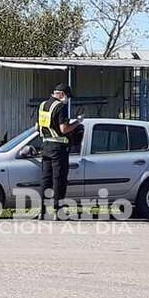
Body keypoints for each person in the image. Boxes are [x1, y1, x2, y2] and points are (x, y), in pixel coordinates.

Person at [37, 84, 84, 219]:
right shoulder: (60, 107)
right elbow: (64, 129)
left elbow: (37, 127)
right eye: (67, 97)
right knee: (59, 180)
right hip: (58, 148)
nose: (67, 100)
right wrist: (78, 122)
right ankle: (58, 211)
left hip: (45, 146)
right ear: (62, 94)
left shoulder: (42, 105)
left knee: (46, 180)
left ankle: (42, 211)